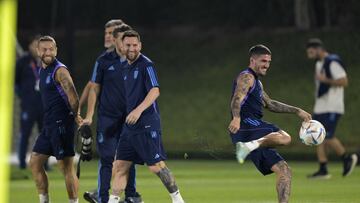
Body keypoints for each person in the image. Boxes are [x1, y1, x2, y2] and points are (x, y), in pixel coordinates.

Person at [109, 30, 185, 203]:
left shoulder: (146, 64)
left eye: (135, 45)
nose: (131, 48)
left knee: (156, 166)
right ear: (122, 46)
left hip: (146, 124)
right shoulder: (125, 67)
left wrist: (138, 110)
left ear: (140, 46)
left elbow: (155, 90)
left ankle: (178, 199)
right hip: (129, 127)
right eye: (128, 45)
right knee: (120, 166)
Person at [228, 45, 311, 203]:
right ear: (252, 60)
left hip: (253, 129)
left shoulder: (257, 84)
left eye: (269, 61)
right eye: (263, 61)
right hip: (247, 125)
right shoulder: (247, 77)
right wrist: (236, 117)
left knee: (284, 170)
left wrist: (297, 110)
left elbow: (270, 104)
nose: (266, 64)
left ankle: (251, 146)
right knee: (285, 137)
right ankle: (250, 145)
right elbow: (237, 98)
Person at [82, 24, 143, 203]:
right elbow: (94, 89)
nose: (126, 45)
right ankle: (102, 198)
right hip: (108, 119)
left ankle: (131, 196)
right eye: (123, 40)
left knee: (128, 158)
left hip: (130, 120)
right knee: (107, 158)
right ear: (116, 40)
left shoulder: (139, 62)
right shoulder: (103, 61)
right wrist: (89, 115)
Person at [29, 35, 82, 203]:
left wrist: (77, 117)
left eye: (51, 49)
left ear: (56, 50)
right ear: (38, 51)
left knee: (66, 168)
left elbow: (73, 96)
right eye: (44, 49)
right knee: (35, 162)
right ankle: (44, 201)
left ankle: (73, 202)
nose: (48, 52)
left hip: (62, 125)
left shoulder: (60, 71)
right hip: (49, 125)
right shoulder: (43, 69)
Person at [305, 38, 358, 179]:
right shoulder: (319, 64)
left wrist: (325, 80)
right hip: (321, 107)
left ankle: (347, 158)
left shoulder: (332, 62)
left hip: (332, 106)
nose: (309, 54)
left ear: (318, 49)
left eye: (311, 51)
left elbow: (344, 81)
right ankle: (323, 169)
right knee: (317, 136)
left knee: (327, 136)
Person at [15, 35, 45, 169]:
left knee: (45, 134)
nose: (37, 47)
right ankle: (21, 163)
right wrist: (22, 95)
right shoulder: (23, 61)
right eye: (35, 44)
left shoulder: (46, 61)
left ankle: (44, 163)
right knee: (25, 133)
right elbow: (15, 81)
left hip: (43, 104)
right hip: (28, 104)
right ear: (29, 46)